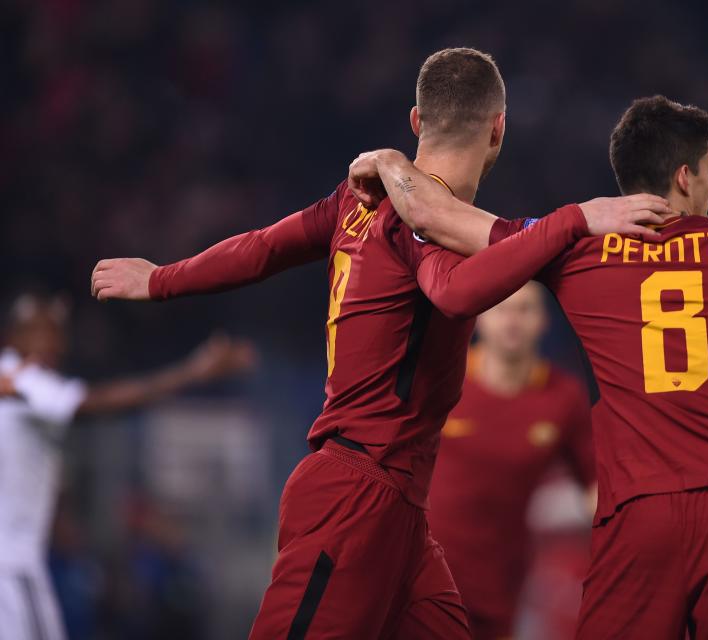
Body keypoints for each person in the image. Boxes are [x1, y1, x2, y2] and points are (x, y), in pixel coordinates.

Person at [89, 48, 670, 639]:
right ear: (499, 128)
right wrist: (573, 219)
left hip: (399, 511)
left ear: (416, 121)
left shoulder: (356, 200)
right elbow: (453, 292)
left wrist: (162, 277)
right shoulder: (421, 218)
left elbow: (263, 247)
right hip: (355, 493)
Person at [347, 94, 708, 638]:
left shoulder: (577, 249)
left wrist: (390, 161)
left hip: (639, 512)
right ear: (684, 176)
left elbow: (437, 218)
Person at [0, 291, 254, 640]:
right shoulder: (20, 377)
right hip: (11, 568)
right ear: (12, 336)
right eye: (38, 330)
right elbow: (96, 403)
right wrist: (193, 372)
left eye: (56, 331)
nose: (52, 342)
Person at [428, 282, 594, 639]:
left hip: (502, 578)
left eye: (525, 309)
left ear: (544, 320)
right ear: (479, 319)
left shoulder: (564, 399)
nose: (513, 321)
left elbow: (595, 489)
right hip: (424, 573)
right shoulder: (439, 380)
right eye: (502, 309)